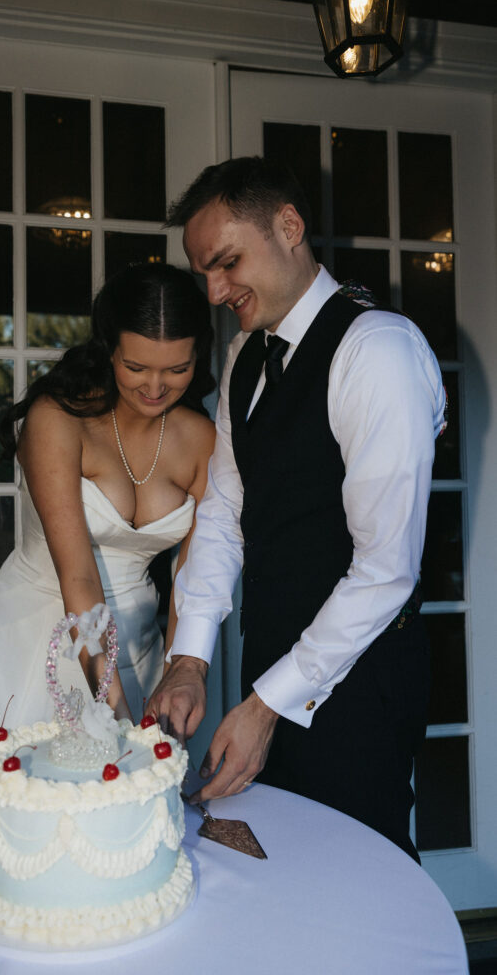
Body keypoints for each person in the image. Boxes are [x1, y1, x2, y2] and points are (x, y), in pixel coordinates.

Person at [146, 157, 446, 861]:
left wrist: (264, 706)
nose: (215, 291)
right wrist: (188, 658)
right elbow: (223, 512)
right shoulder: (247, 356)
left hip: (360, 682)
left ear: (288, 227)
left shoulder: (377, 350)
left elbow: (383, 571)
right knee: (278, 878)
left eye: (226, 263)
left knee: (358, 881)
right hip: (274, 663)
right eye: (205, 274)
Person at [0, 262, 215, 783]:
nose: (155, 387)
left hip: (141, 643)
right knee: (27, 810)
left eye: (177, 369)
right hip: (44, 630)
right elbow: (78, 580)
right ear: (109, 350)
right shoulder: (56, 420)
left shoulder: (202, 439)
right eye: (136, 367)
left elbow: (191, 582)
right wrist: (121, 723)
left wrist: (178, 670)